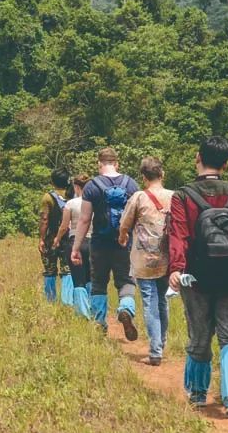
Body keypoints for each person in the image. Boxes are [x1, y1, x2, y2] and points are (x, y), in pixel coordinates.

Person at [169, 136, 228, 419]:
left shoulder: (183, 196)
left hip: (196, 277)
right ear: (226, 164)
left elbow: (178, 234)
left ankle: (198, 393)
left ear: (197, 158)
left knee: (199, 334)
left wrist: (176, 268)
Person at [72, 147, 139, 338]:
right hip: (125, 243)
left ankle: (100, 323)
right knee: (126, 281)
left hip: (99, 244)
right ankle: (126, 308)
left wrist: (76, 247)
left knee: (99, 283)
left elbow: (84, 220)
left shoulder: (92, 186)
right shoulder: (131, 184)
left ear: (99, 164)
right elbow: (137, 218)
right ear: (117, 163)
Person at [118, 156, 173, 365]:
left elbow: (125, 224)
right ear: (162, 174)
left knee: (150, 303)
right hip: (167, 259)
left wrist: (122, 237)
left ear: (143, 177)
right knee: (163, 301)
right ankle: (161, 344)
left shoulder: (139, 197)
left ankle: (155, 351)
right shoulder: (174, 196)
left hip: (144, 261)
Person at [53, 174, 92, 318]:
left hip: (75, 241)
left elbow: (64, 226)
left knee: (78, 278)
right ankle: (93, 307)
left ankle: (83, 313)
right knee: (90, 277)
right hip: (93, 242)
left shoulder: (70, 204)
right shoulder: (95, 202)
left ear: (76, 187)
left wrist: (57, 239)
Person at [38, 167, 73, 305]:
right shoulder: (73, 194)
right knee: (67, 270)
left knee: (49, 270)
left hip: (50, 238)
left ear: (53, 181)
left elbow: (44, 220)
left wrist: (41, 239)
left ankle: (50, 300)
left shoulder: (48, 197)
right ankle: (67, 301)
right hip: (69, 238)